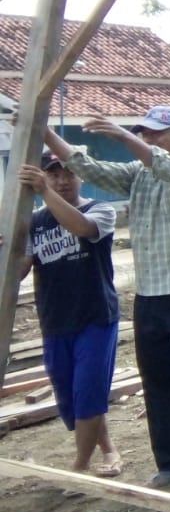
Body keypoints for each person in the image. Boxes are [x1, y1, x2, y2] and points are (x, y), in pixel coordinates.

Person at [43, 105, 170, 489]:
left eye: (156, 133)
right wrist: (43, 129)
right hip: (151, 295)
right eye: (144, 133)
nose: (148, 138)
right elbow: (87, 166)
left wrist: (124, 136)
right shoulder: (138, 175)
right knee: (158, 382)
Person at [4, 151, 124, 478]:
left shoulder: (100, 210)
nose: (62, 181)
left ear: (80, 176)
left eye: (69, 173)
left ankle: (79, 466)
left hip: (95, 317)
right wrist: (6, 251)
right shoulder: (35, 222)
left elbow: (82, 228)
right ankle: (109, 449)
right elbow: (19, 271)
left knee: (88, 390)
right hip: (55, 320)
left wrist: (44, 191)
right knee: (72, 396)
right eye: (54, 175)